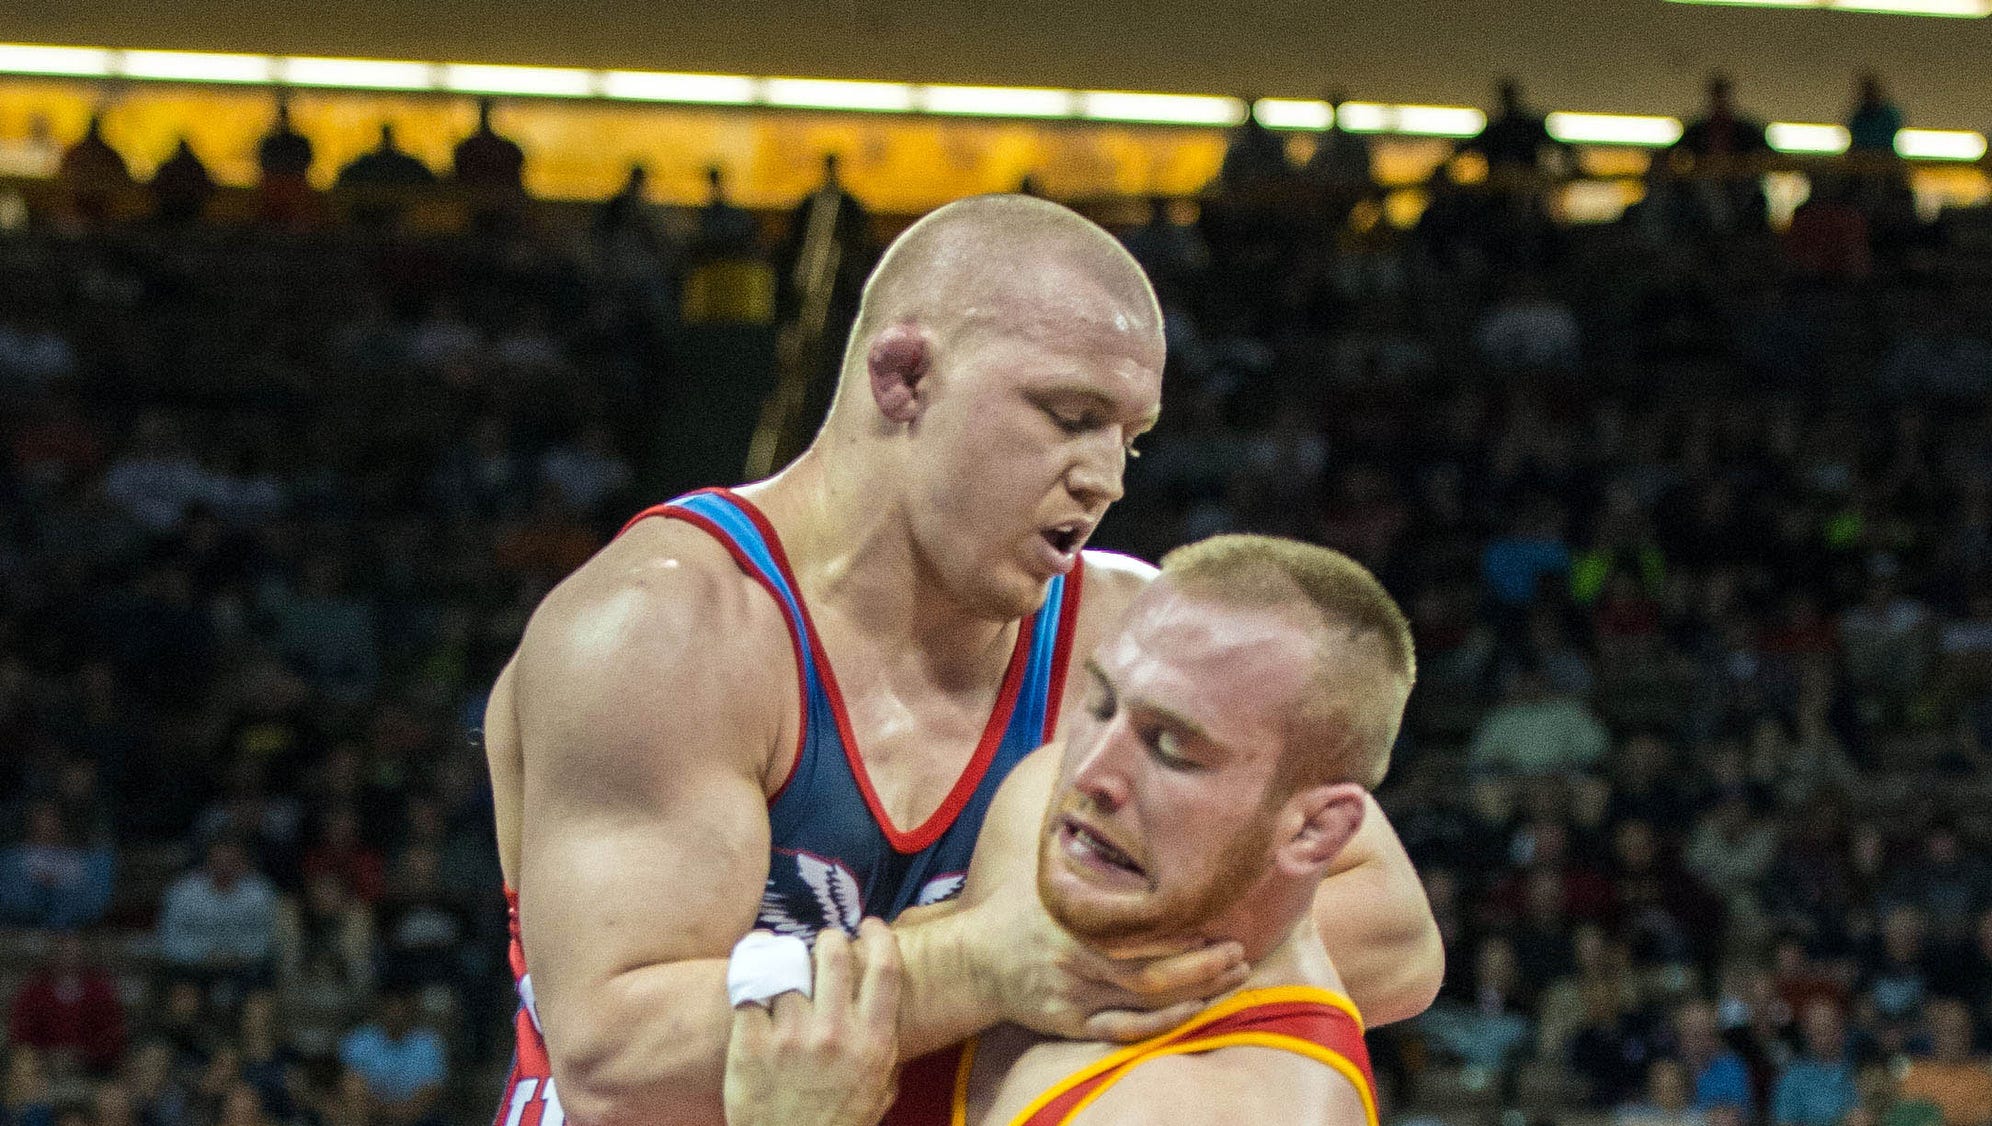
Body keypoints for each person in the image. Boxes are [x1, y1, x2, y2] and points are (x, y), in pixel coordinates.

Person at [481, 194, 1441, 1125]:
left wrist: (1016, 965)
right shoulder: (667, 628)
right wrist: (982, 963)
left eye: (1129, 440)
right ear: (903, 378)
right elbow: (616, 1060)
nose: (1103, 477)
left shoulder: (1123, 637)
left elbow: (1393, 936)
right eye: (1070, 416)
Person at [728, 534, 1412, 1126]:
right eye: (1101, 703)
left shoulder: (1217, 1105)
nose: (1089, 772)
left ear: (1314, 831)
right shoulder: (1043, 817)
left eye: (1171, 747)